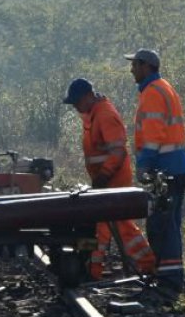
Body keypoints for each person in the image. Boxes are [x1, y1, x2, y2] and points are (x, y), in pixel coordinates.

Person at [62, 78, 155, 280]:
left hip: (114, 180)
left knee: (112, 227)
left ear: (88, 97)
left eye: (77, 102)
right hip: (105, 181)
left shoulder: (105, 115)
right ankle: (94, 269)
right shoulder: (92, 115)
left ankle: (145, 265)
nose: (76, 107)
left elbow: (118, 151)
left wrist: (104, 175)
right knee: (105, 226)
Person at [125, 48, 185, 297]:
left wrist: (145, 163)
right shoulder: (164, 87)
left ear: (146, 66)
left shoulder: (153, 93)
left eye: (135, 65)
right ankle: (170, 278)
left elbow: (154, 135)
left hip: (165, 168)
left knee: (162, 224)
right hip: (176, 165)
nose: (131, 69)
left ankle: (170, 282)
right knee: (169, 223)